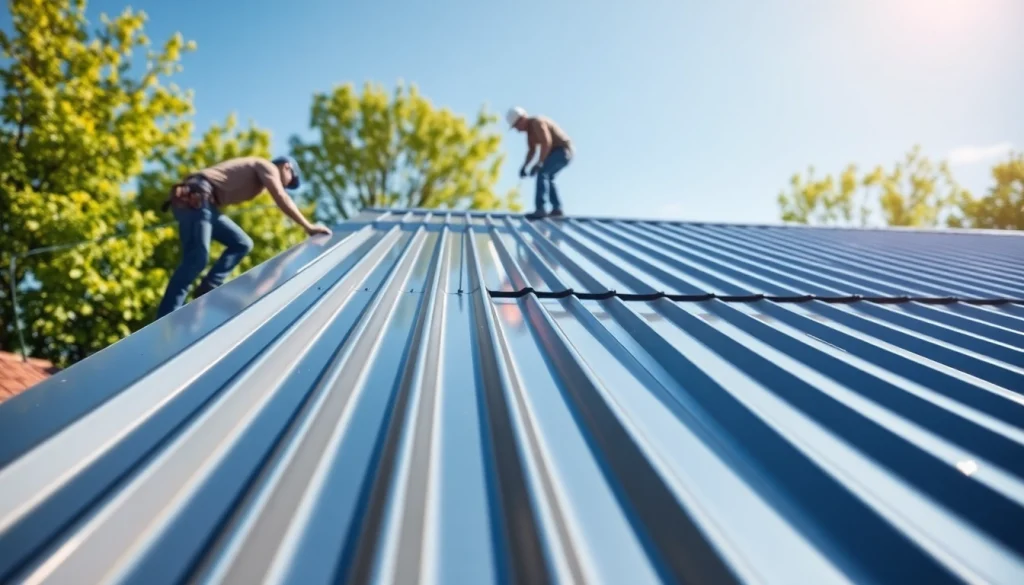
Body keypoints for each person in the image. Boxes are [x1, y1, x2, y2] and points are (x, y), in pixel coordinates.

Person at [156, 155, 331, 318]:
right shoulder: (267, 166)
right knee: (197, 258)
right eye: (289, 182)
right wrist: (308, 227)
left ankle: (208, 287)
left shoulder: (258, 179)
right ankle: (167, 315)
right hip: (194, 199)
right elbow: (280, 196)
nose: (285, 186)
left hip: (206, 205)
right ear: (286, 167)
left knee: (242, 243)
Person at [507, 106, 574, 219]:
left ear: (522, 119)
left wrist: (539, 163)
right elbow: (532, 150)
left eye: (517, 125)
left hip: (563, 151)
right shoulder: (530, 132)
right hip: (556, 152)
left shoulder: (537, 123)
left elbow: (546, 142)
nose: (517, 130)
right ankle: (557, 208)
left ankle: (540, 208)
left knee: (543, 173)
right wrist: (525, 166)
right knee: (548, 177)